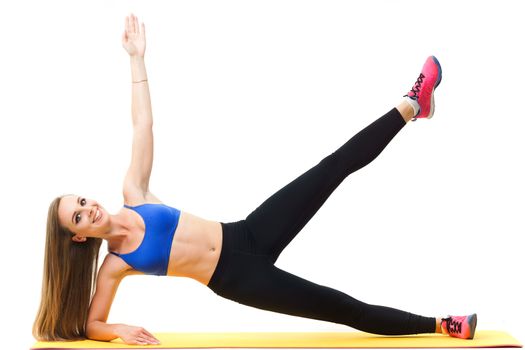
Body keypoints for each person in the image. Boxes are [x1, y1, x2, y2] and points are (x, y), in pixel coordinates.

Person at [33, 13, 477, 346]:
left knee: (331, 167)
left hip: (248, 232)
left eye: (82, 200)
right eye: (78, 215)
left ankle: (413, 105)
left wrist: (137, 58)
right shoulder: (114, 267)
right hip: (237, 279)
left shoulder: (134, 194)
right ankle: (441, 325)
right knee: (340, 307)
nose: (88, 207)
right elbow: (92, 322)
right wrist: (116, 332)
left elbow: (142, 124)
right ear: (76, 238)